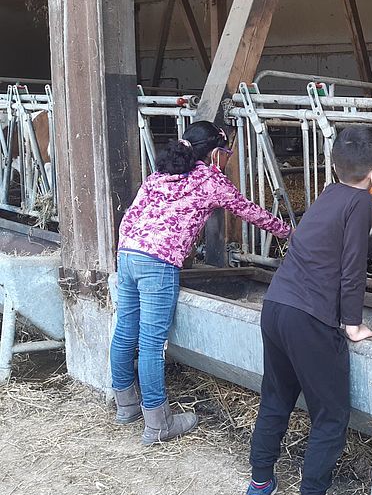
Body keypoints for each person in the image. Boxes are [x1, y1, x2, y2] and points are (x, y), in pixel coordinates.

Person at [244, 126, 372, 495]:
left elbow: (348, 240)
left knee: (276, 398)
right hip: (311, 319)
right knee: (332, 415)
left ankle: (259, 486)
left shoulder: (330, 195)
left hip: (277, 308)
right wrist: (352, 323)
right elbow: (351, 268)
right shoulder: (362, 204)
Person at [112, 121, 291, 445]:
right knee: (152, 344)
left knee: (125, 331)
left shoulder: (159, 174)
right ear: (212, 152)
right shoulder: (210, 179)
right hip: (158, 263)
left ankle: (126, 406)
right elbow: (246, 210)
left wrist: (132, 247)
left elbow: (130, 215)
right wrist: (288, 231)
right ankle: (158, 424)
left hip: (127, 254)